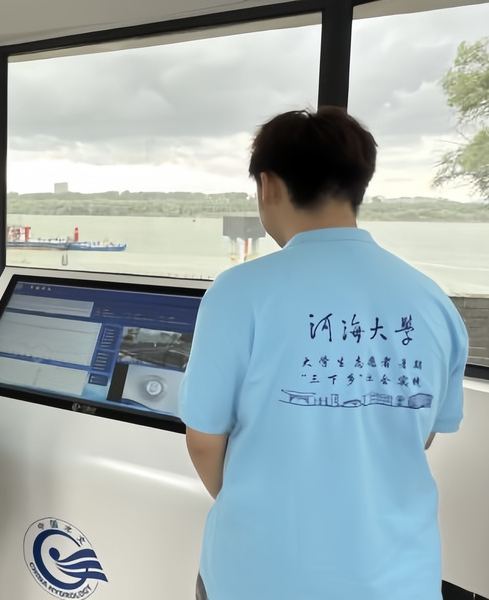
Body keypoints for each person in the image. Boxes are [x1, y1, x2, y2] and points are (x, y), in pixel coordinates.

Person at [179, 108, 469, 600]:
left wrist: (253, 509)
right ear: (359, 185)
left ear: (268, 185)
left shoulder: (239, 291)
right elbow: (420, 434)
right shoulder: (431, 301)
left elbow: (204, 441)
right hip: (399, 579)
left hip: (258, 576)